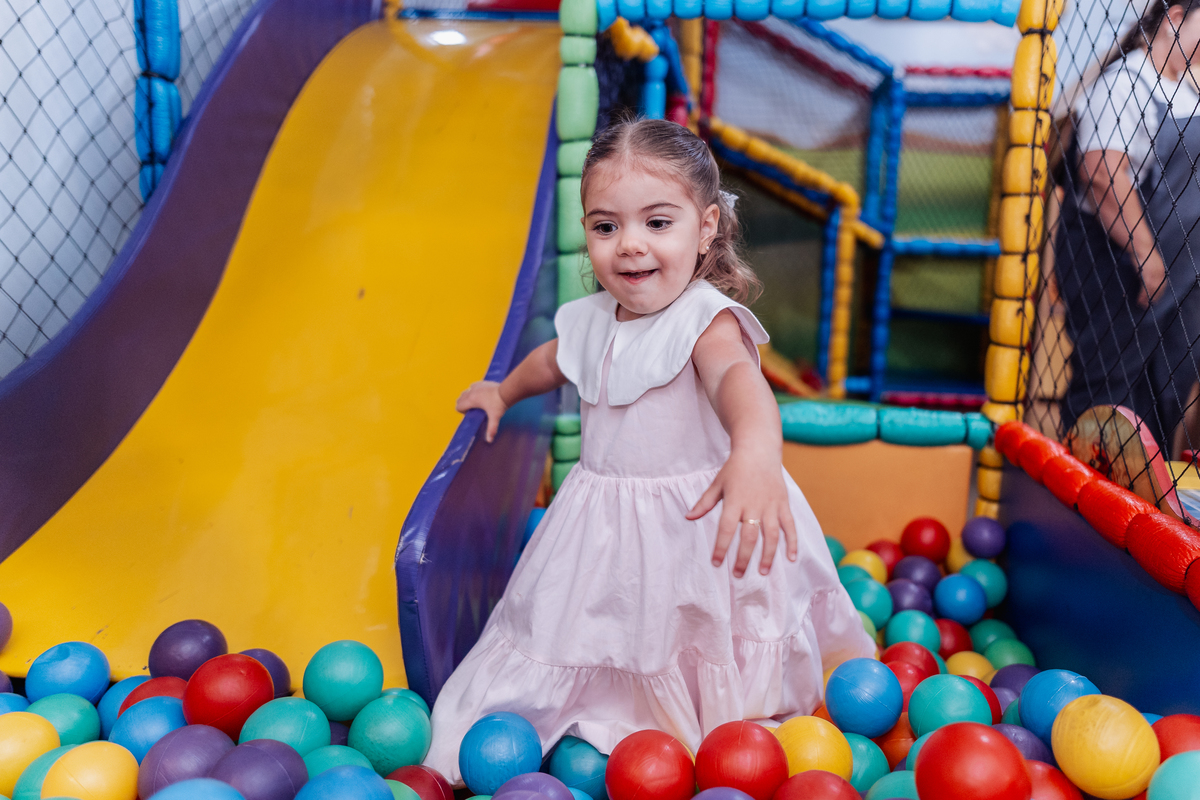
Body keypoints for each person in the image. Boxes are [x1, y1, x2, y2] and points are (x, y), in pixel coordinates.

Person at [422, 118, 874, 783]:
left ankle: (713, 753)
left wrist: (755, 452)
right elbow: (551, 362)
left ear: (707, 227)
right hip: (602, 532)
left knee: (692, 638)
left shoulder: (704, 321)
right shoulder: (592, 320)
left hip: (697, 528)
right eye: (606, 226)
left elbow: (738, 381)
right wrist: (500, 392)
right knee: (584, 632)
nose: (630, 245)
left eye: (657, 223)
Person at [1056, 0, 1200, 456]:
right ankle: (1081, 484)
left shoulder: (1186, 90)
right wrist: (1145, 254)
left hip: (1183, 276)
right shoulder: (1125, 83)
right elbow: (1101, 172)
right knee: (1109, 389)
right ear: (1175, 19)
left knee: (1165, 391)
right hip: (1121, 269)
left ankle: (1139, 493)